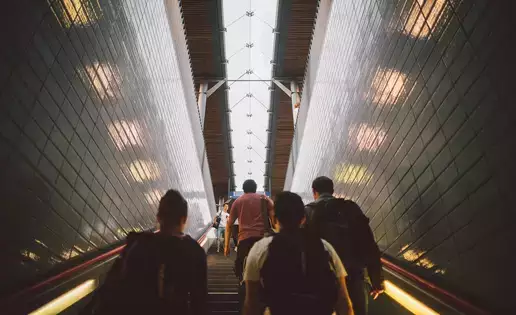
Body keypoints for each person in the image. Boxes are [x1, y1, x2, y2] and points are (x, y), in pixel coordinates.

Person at [84, 189, 207, 315]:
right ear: (184, 219)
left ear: (159, 217)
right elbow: (199, 302)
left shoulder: (139, 245)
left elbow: (121, 288)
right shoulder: (195, 252)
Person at [243, 191, 354, 315]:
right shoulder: (324, 247)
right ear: (303, 219)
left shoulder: (261, 249)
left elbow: (251, 304)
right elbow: (343, 301)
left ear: (274, 218)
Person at [305, 176, 383, 315]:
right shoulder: (350, 208)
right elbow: (369, 244)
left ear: (314, 192)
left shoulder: (308, 213)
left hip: (321, 281)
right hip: (353, 276)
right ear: (332, 190)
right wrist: (376, 280)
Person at [224, 179, 274, 282]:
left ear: (243, 190)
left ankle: (243, 283)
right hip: (262, 240)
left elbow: (229, 225)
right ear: (255, 189)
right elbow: (274, 220)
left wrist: (226, 246)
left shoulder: (238, 201)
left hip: (244, 240)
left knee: (240, 266)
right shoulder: (264, 199)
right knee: (266, 268)